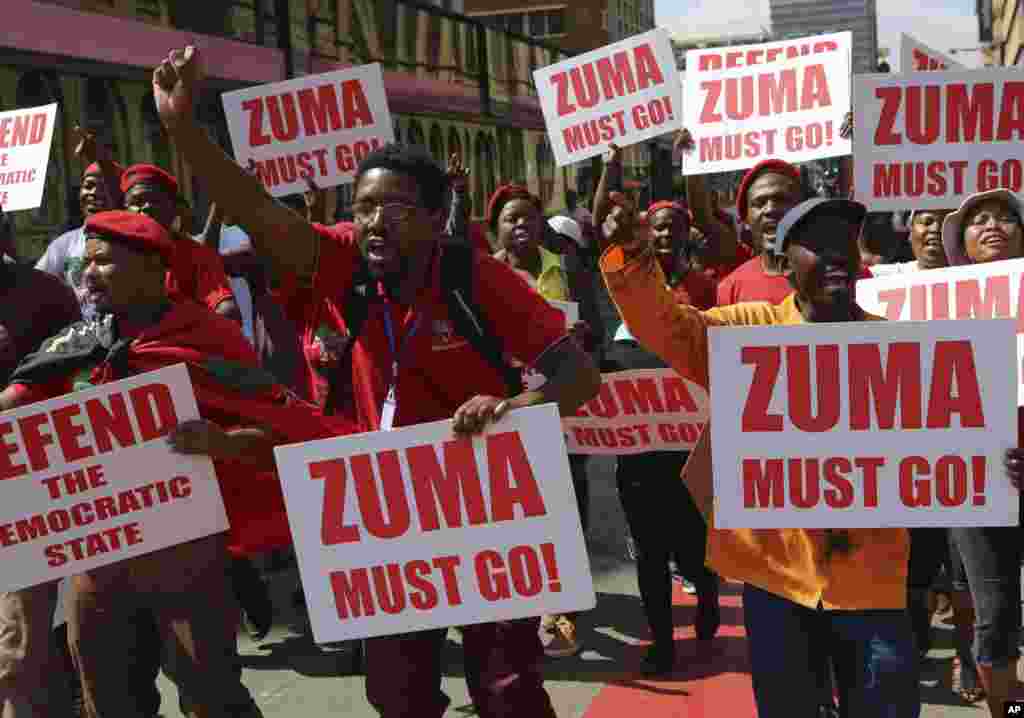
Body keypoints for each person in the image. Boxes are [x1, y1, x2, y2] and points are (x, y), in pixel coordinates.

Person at [151, 44, 600, 718]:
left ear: (434, 216)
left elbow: (580, 380)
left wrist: (510, 406)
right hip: (385, 511)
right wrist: (183, 130)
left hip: (483, 499)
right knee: (397, 694)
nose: (372, 221)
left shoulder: (474, 277)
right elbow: (254, 207)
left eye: (393, 207)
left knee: (506, 689)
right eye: (363, 207)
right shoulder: (341, 265)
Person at [0, 210, 353, 718]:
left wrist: (223, 443)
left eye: (105, 262)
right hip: (97, 562)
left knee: (210, 694)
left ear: (152, 269)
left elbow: (281, 429)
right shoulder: (77, 344)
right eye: (85, 262)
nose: (88, 274)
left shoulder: (208, 340)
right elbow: (19, 399)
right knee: (109, 699)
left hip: (184, 556)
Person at [601, 196, 923, 717]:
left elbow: (947, 449)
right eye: (817, 246)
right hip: (776, 577)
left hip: (873, 579)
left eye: (844, 243)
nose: (835, 256)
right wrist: (631, 256)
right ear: (785, 261)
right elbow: (663, 325)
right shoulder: (745, 333)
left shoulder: (899, 346)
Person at [940, 188, 1024, 718]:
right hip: (979, 484)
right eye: (979, 221)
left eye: (1006, 218)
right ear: (962, 245)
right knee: (995, 619)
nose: (993, 226)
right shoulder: (935, 307)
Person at [0, 208, 82, 718]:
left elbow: (81, 370)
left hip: (30, 486)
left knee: (18, 640)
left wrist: (20, 395)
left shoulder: (46, 294)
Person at [119, 163, 240, 322]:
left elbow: (226, 309)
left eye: (155, 200)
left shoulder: (197, 255)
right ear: (124, 210)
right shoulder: (115, 255)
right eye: (137, 202)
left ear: (174, 208)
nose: (147, 207)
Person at [36, 127, 124, 318]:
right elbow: (35, 286)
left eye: (103, 186)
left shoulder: (128, 239)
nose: (93, 193)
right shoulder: (63, 244)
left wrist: (100, 158)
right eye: (89, 185)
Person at [715, 159, 805, 305]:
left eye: (781, 199)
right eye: (759, 203)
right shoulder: (730, 289)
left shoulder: (828, 278)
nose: (770, 209)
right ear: (746, 219)